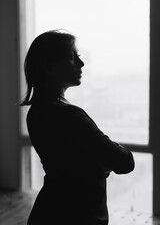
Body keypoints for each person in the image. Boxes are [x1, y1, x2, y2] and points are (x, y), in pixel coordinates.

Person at [21, 29, 135, 225]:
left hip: (51, 210)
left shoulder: (37, 111)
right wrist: (102, 162)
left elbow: (74, 162)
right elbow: (124, 162)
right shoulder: (69, 115)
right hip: (79, 215)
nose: (81, 63)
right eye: (72, 57)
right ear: (48, 66)